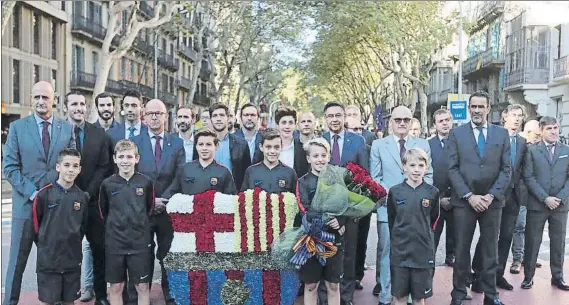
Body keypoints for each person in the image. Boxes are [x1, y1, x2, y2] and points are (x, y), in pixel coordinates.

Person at [2, 81, 74, 305]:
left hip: (54, 209)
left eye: (45, 97)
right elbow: (10, 168)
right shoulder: (17, 128)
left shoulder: (67, 129)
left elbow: (71, 164)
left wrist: (58, 193)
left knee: (54, 263)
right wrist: (33, 193)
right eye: (36, 97)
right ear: (31, 99)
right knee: (16, 263)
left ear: (54, 99)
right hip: (25, 207)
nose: (41, 102)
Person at [446, 91, 511, 305]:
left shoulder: (502, 134)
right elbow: (452, 168)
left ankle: (491, 296)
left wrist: (491, 195)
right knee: (461, 251)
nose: (476, 110)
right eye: (473, 106)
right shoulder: (456, 134)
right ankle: (458, 294)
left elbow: (506, 169)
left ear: (488, 108)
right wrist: (469, 195)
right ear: (468, 108)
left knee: (490, 251)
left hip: (492, 203)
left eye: (480, 106)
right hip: (464, 202)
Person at [370, 105, 432, 305]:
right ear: (391, 123)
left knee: (416, 252)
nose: (403, 123)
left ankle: (415, 295)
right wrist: (396, 196)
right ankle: (387, 295)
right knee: (388, 253)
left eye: (407, 119)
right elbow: (375, 178)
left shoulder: (423, 144)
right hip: (388, 208)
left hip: (417, 212)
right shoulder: (379, 145)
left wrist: (416, 196)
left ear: (412, 121)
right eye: (398, 120)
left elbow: (429, 176)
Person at [131, 99, 185, 305]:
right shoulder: (135, 142)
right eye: (151, 113)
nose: (154, 117)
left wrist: (163, 200)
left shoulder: (177, 143)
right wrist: (149, 200)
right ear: (144, 116)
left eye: (159, 113)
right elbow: (132, 176)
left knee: (167, 254)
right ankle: (137, 295)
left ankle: (170, 295)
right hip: (142, 208)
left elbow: (179, 174)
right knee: (141, 254)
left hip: (167, 208)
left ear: (166, 116)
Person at [470, 105, 527, 292]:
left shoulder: (522, 142)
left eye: (520, 116)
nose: (517, 119)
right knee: (488, 237)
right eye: (514, 115)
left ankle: (497, 275)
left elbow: (521, 170)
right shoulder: (494, 135)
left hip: (513, 197)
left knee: (506, 237)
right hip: (494, 194)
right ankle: (478, 274)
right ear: (505, 116)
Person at [65, 91, 113, 304]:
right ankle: (65, 295)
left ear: (87, 108)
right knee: (67, 251)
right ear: (66, 106)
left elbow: (104, 167)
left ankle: (101, 295)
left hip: (93, 202)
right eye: (74, 104)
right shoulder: (60, 132)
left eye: (82, 104)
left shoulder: (99, 134)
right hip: (65, 202)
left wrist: (87, 193)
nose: (78, 108)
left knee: (99, 250)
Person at [320, 101, 369, 304]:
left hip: (350, 209)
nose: (334, 119)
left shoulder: (358, 141)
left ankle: (346, 297)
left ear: (344, 117)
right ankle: (324, 297)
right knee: (324, 252)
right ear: (325, 119)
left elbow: (364, 176)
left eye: (338, 115)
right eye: (330, 116)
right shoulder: (319, 141)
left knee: (348, 254)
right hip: (324, 209)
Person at [98, 139, 154, 305]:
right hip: (116, 243)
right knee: (116, 287)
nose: (125, 161)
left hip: (139, 243)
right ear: (115, 159)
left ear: (137, 159)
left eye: (129, 157)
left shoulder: (146, 183)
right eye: (121, 156)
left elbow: (149, 209)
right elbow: (103, 212)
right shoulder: (107, 184)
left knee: (142, 286)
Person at [32, 148, 89, 305]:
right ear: (58, 167)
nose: (71, 170)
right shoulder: (44, 194)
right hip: (49, 261)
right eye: (67, 165)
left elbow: (82, 227)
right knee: (49, 301)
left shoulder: (82, 197)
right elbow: (36, 227)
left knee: (69, 301)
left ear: (79, 169)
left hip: (72, 260)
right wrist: (47, 244)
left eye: (75, 166)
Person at [521, 116, 569, 291]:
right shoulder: (532, 150)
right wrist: (545, 198)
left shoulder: (566, 149)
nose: (554, 131)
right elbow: (528, 176)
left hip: (560, 206)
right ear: (541, 130)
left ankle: (558, 277)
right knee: (532, 242)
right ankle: (528, 277)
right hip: (537, 204)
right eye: (549, 128)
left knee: (559, 243)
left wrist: (561, 198)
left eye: (556, 128)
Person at [387, 148, 439, 305]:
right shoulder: (395, 192)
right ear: (404, 167)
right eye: (412, 165)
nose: (416, 170)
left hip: (422, 254)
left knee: (418, 298)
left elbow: (434, 219)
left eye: (421, 165)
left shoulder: (432, 192)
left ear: (426, 167)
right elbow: (392, 219)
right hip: (400, 254)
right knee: (400, 297)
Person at [298, 138, 347, 305]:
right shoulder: (302, 182)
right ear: (308, 159)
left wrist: (340, 220)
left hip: (334, 239)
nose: (320, 159)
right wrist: (328, 218)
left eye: (323, 155)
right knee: (311, 285)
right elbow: (304, 209)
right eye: (315, 155)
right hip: (311, 240)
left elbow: (347, 205)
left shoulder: (338, 179)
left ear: (329, 157)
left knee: (333, 285)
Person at [510, 119, 542, 274]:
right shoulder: (520, 145)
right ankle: (517, 258)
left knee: (533, 228)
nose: (537, 137)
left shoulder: (540, 147)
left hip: (538, 194)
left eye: (538, 134)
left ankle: (530, 259)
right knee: (519, 226)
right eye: (535, 134)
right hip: (521, 193)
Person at [195, 103, 251, 190]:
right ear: (211, 119)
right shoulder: (201, 143)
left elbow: (247, 175)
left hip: (232, 194)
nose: (218, 119)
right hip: (205, 193)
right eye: (215, 116)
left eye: (221, 115)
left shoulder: (241, 144)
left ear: (228, 118)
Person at [165, 129, 237, 196]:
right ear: (196, 146)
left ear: (216, 146)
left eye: (208, 144)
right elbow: (171, 193)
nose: (204, 148)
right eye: (201, 144)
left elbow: (231, 200)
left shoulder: (224, 172)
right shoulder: (185, 169)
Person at [428, 109, 455, 267]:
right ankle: (429, 261)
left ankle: (451, 256)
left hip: (456, 197)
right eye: (441, 121)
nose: (445, 123)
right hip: (436, 199)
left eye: (447, 120)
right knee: (433, 235)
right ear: (435, 125)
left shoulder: (460, 142)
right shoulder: (428, 145)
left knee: (456, 234)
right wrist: (438, 199)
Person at [241, 128, 297, 193]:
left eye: (276, 147)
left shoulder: (290, 173)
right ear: (261, 147)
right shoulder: (251, 171)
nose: (272, 151)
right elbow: (243, 197)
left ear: (281, 147)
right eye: (268, 147)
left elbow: (295, 199)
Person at [274, 106, 310, 178]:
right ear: (277, 125)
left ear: (295, 125)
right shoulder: (269, 148)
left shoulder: (303, 149)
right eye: (284, 123)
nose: (287, 126)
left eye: (290, 123)